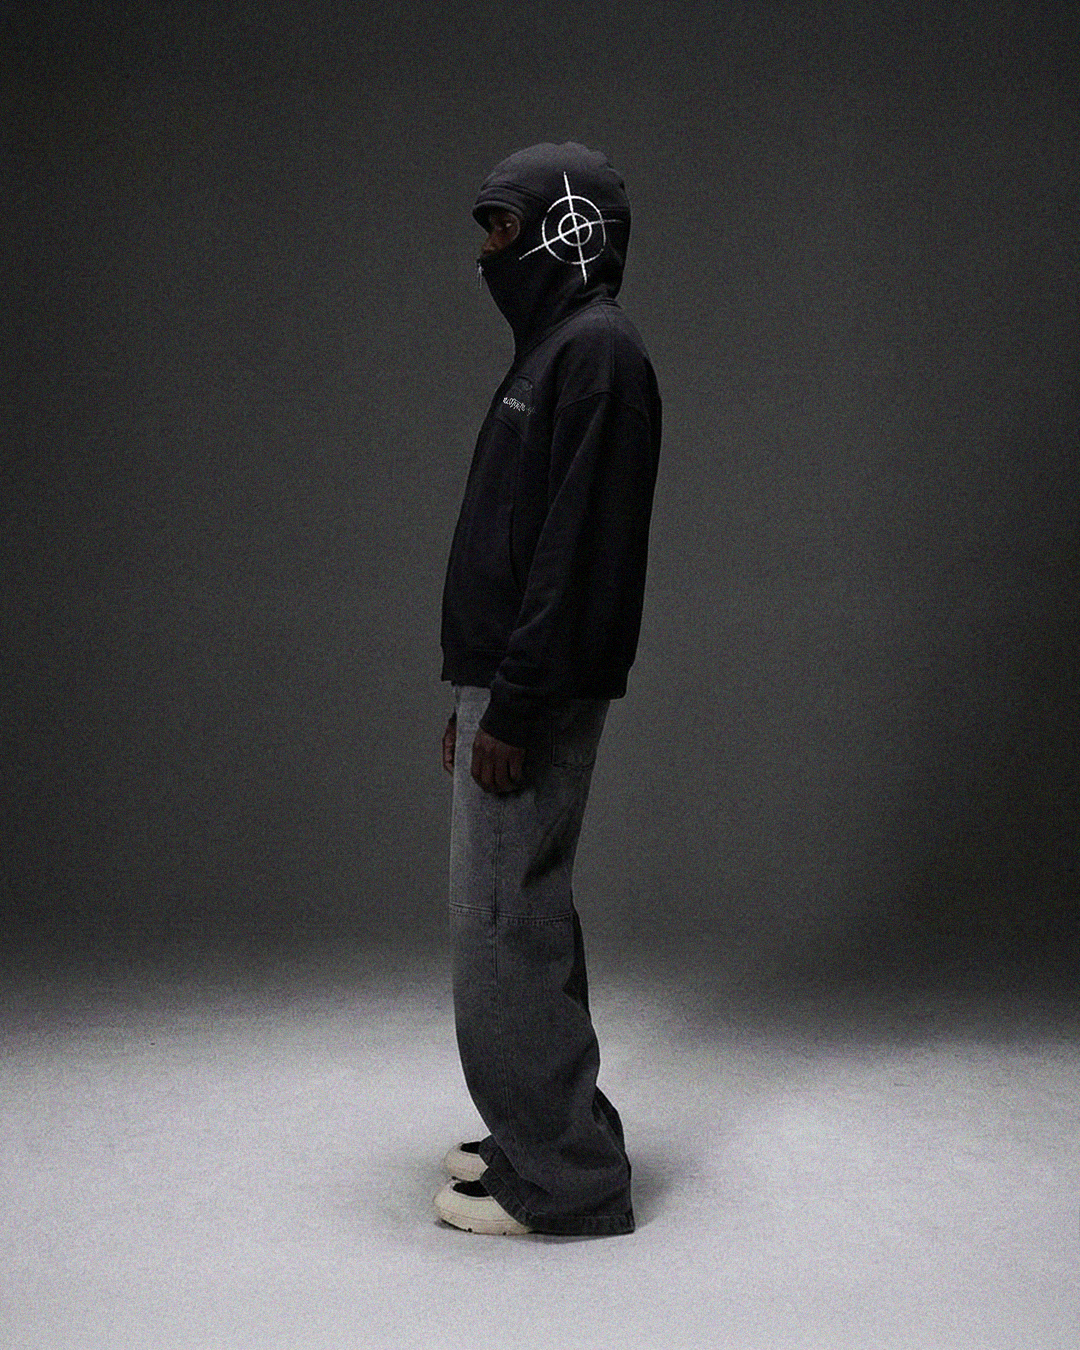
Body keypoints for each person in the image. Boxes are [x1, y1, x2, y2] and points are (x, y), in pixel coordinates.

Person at [434, 141, 661, 1237]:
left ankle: (566, 1181)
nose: (486, 250)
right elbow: (513, 540)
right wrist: (471, 691)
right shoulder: (555, 353)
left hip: (536, 691)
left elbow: (578, 553)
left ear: (569, 229)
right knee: (522, 917)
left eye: (502, 226)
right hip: (508, 682)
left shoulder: (598, 353)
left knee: (502, 927)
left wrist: (516, 704)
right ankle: (546, 1128)